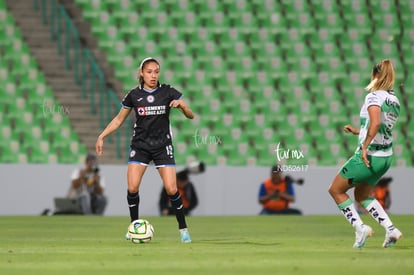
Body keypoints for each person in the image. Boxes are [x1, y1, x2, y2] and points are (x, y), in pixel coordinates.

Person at [95, 57, 195, 243]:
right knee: (132, 187)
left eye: (156, 71)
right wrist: (102, 136)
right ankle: (134, 227)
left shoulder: (168, 92)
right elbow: (118, 120)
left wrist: (182, 106)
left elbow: (191, 115)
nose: (153, 75)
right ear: (141, 73)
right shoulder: (134, 95)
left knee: (172, 189)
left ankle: (183, 230)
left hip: (162, 147)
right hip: (140, 146)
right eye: (149, 71)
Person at [328, 59, 402, 248]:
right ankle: (391, 229)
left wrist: (364, 147)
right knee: (362, 195)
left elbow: (376, 123)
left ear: (375, 75)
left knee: (336, 190)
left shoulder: (373, 96)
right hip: (385, 157)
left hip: (370, 155)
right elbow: (382, 126)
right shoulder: (394, 100)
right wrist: (356, 131)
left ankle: (360, 228)